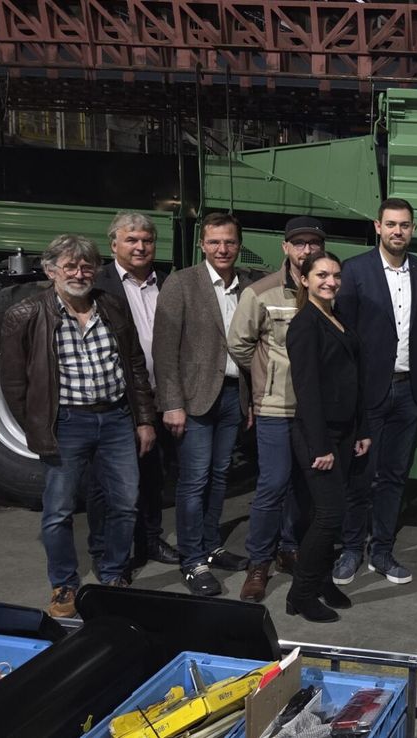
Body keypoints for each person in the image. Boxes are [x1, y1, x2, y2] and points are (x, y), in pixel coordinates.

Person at [0, 234, 156, 617]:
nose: (80, 272)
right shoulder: (26, 314)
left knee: (124, 503)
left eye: (87, 265)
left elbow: (134, 366)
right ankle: (64, 585)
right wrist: (37, 426)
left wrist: (145, 420)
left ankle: (114, 573)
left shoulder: (113, 308)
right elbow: (14, 382)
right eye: (70, 265)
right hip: (67, 422)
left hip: (117, 417)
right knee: (58, 511)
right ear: (51, 270)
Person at [332, 198, 417, 587]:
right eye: (391, 224)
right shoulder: (355, 271)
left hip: (408, 393)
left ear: (413, 229)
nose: (398, 231)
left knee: (394, 477)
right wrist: (351, 396)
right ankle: (351, 551)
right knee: (361, 476)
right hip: (368, 394)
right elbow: (345, 340)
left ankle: (382, 552)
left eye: (405, 225)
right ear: (378, 227)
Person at [153, 212, 254, 596]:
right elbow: (164, 350)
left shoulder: (248, 285)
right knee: (194, 481)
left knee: (219, 477)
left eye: (229, 241)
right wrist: (172, 403)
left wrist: (251, 400)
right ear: (202, 244)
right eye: (214, 242)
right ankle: (192, 560)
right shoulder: (182, 283)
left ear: (238, 244)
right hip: (193, 399)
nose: (222, 249)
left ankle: (211, 547)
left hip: (233, 396)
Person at [227, 216, 325, 602]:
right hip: (275, 408)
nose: (306, 250)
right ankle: (259, 562)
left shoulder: (329, 289)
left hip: (313, 412)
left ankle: (290, 548)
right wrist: (265, 378)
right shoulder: (262, 292)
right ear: (285, 248)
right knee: (272, 484)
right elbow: (239, 345)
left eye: (313, 244)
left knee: (304, 486)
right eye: (298, 244)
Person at [87, 212, 178, 571]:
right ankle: (108, 552)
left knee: (154, 476)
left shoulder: (168, 284)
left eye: (147, 240)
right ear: (114, 245)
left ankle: (150, 540)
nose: (140, 247)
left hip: (160, 396)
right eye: (131, 240)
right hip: (116, 402)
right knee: (106, 484)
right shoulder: (98, 285)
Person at [284, 250, 371, 622]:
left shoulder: (335, 318)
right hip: (316, 436)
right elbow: (308, 389)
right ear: (304, 280)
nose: (330, 281)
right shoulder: (305, 324)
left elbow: (351, 377)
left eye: (335, 275)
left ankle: (320, 581)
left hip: (343, 432)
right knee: (329, 516)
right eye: (321, 275)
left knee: (329, 512)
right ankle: (299, 594)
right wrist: (320, 445)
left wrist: (360, 429)